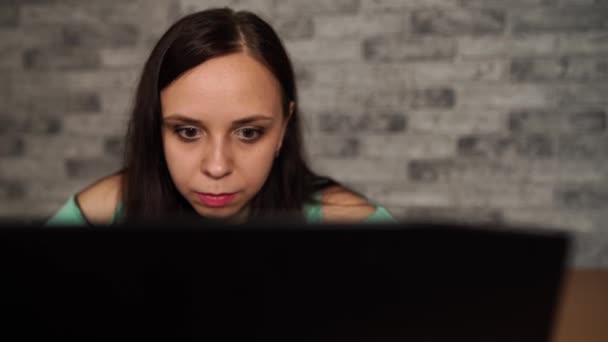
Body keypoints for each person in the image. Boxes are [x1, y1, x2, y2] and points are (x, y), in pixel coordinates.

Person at [47, 8, 394, 225]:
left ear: (284, 126)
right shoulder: (101, 216)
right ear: (156, 125)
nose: (216, 167)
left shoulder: (352, 228)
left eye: (248, 133)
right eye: (186, 131)